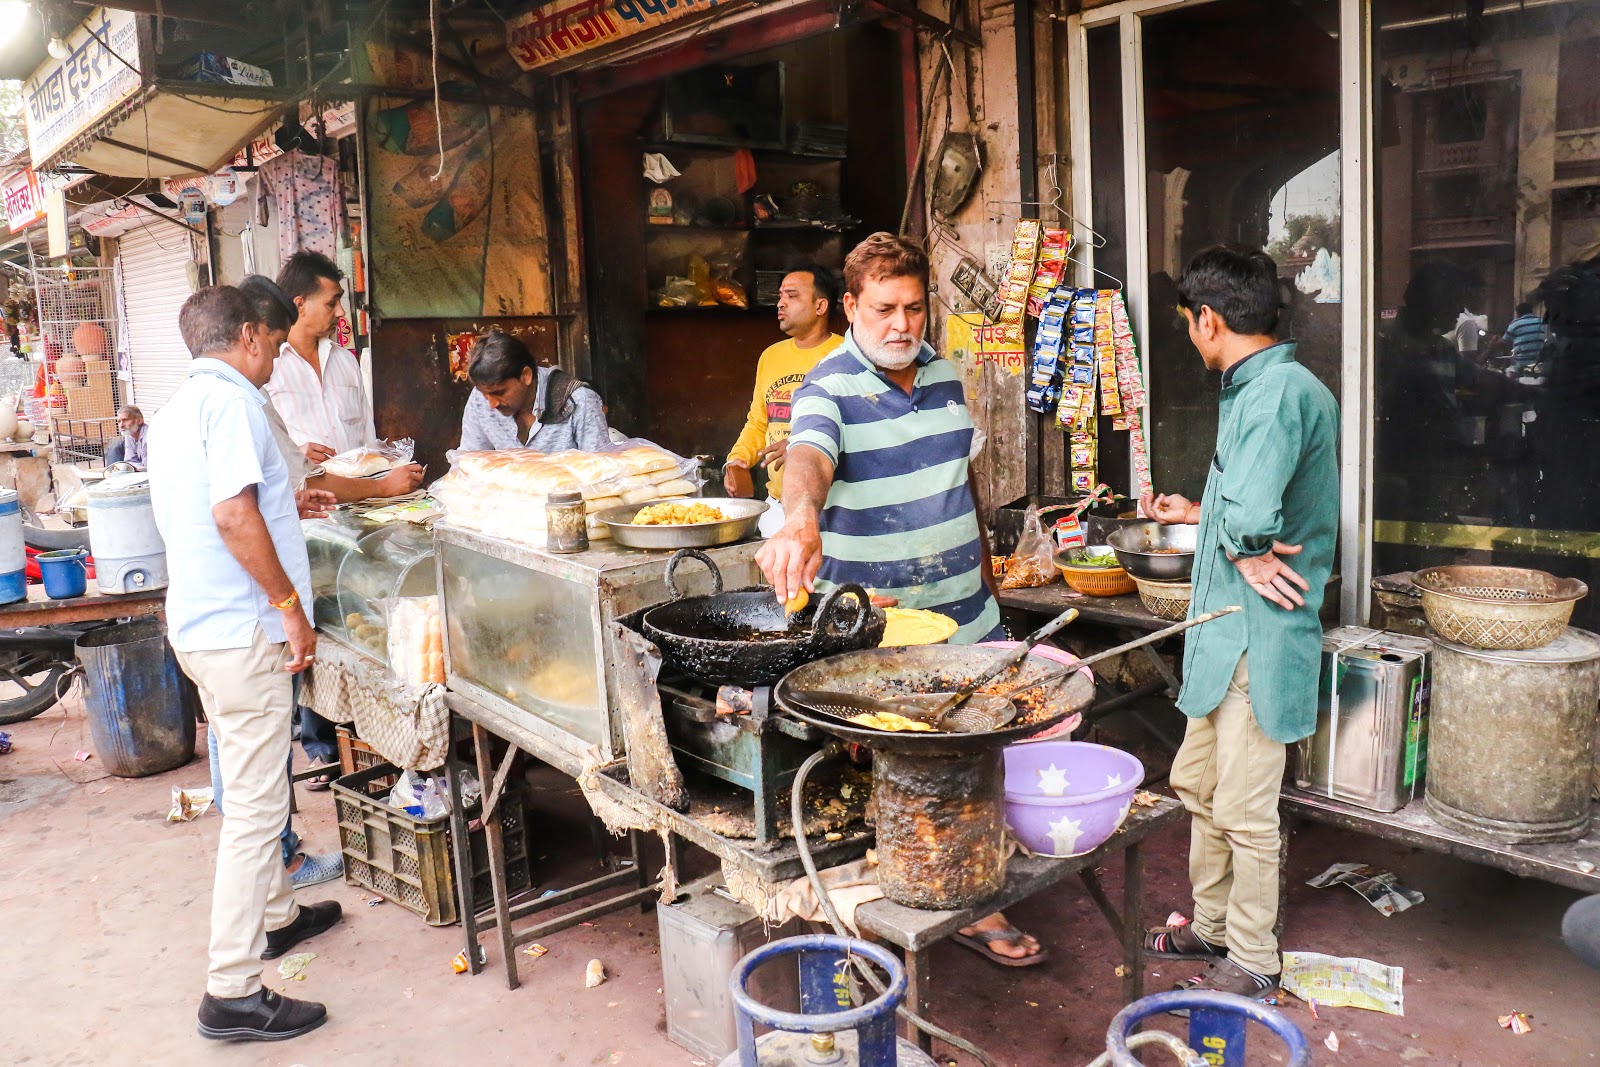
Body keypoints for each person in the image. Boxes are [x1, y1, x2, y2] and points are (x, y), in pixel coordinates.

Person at [759, 233, 1042, 966]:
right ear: (849, 306)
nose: (902, 325)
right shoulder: (827, 388)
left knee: (976, 762)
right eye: (884, 309)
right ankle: (894, 916)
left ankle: (974, 893)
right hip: (887, 638)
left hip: (969, 616)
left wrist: (987, 565)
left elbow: (961, 477)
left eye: (915, 307)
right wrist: (800, 519)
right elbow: (808, 459)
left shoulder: (945, 375)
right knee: (897, 780)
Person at [1138, 245, 1338, 1003]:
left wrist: (1245, 545)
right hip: (1224, 634)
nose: (1192, 334)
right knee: (1198, 781)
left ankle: (1254, 957)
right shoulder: (1259, 388)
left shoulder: (1278, 393)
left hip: (1259, 636)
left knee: (1248, 810)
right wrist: (1203, 512)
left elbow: (1256, 517)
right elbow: (1251, 495)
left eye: (1191, 323)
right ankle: (1212, 926)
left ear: (1210, 320)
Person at [149, 285, 342, 1042]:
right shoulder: (231, 404)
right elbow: (232, 515)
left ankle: (276, 916)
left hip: (201, 627)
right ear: (253, 338)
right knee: (259, 807)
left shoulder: (176, 409)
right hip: (241, 632)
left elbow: (233, 506)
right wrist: (289, 604)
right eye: (273, 337)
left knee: (251, 772)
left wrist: (291, 508)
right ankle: (230, 989)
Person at [723, 266, 844, 537]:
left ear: (820, 306)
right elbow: (758, 422)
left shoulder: (844, 355)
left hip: (833, 510)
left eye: (792, 296)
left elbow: (860, 425)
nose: (780, 303)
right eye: (780, 296)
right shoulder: (770, 356)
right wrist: (738, 459)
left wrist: (804, 446)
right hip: (777, 508)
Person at [267, 251, 379, 465]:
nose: (341, 312)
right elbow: (255, 450)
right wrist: (293, 456)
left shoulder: (346, 361)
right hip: (301, 494)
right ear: (299, 305)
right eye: (331, 303)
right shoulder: (270, 367)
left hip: (359, 494)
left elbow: (368, 436)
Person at [459, 329, 611, 453]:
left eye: (499, 392)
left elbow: (601, 473)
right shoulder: (479, 399)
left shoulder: (579, 401)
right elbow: (469, 462)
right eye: (486, 395)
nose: (492, 404)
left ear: (526, 376)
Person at [1503, 301, 1548, 371]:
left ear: (1518, 313)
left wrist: (1493, 342)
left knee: (1507, 372)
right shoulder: (1541, 321)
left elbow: (1505, 341)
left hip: (1521, 364)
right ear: (1532, 311)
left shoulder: (1515, 323)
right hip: (1540, 363)